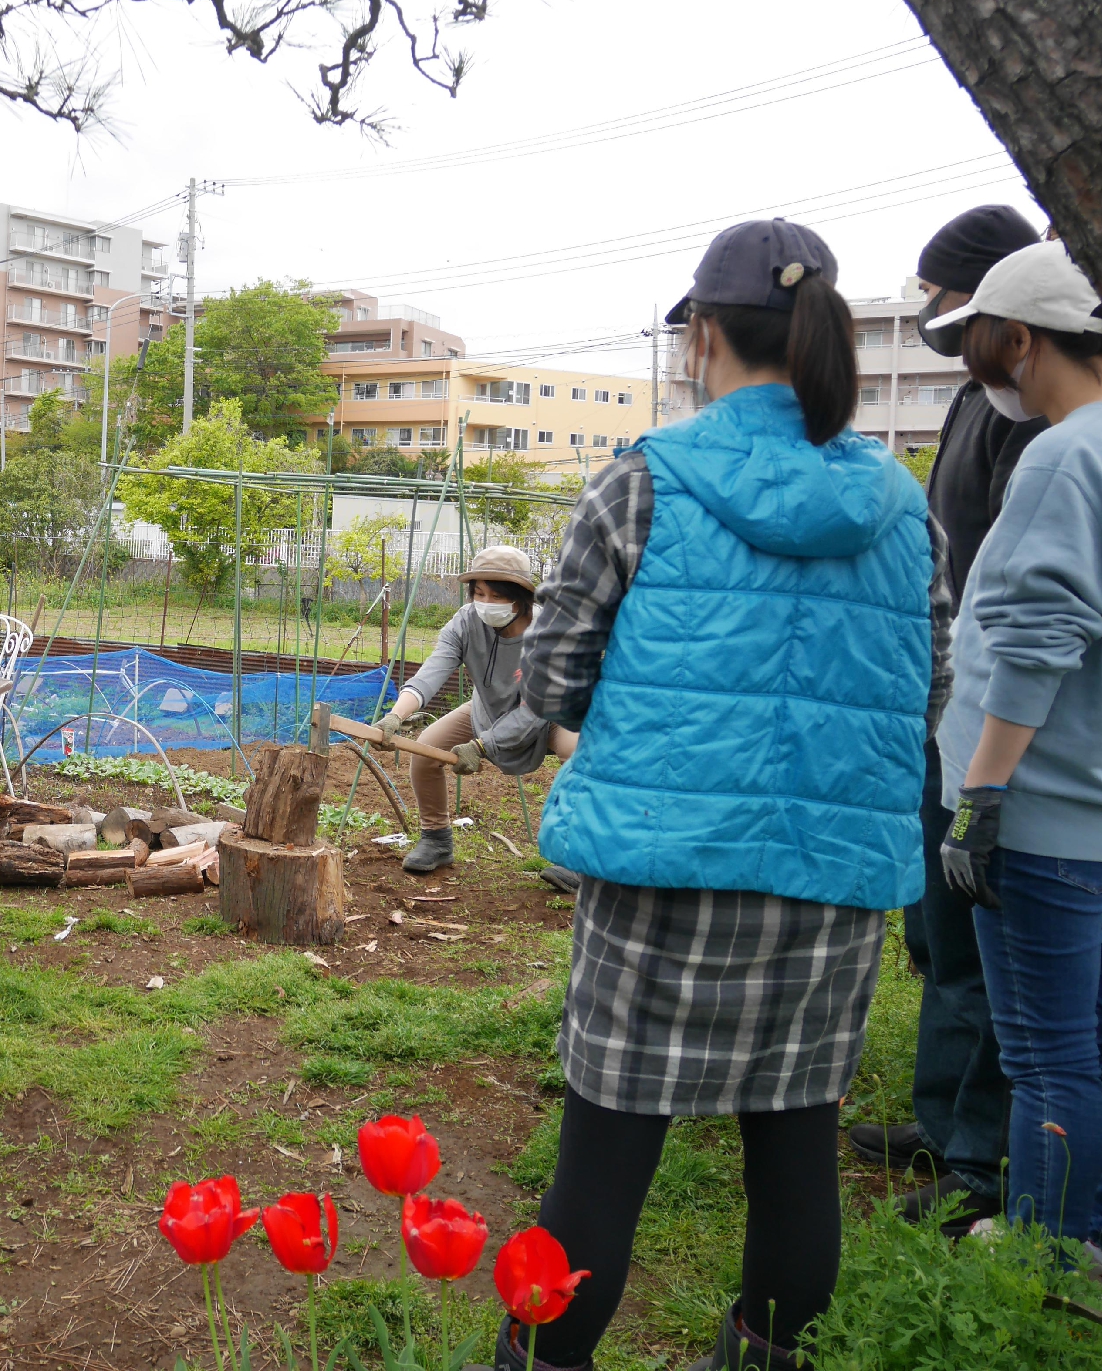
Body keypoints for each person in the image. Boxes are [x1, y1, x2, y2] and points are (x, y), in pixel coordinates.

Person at [499, 220, 954, 1371]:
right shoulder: (901, 509)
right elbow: (931, 684)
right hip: (829, 885)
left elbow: (548, 671)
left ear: (702, 334)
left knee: (602, 1159)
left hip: (661, 875)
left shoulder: (645, 480)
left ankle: (539, 1364)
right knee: (795, 1145)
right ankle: (761, 1355)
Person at [928, 240, 1102, 1328]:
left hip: (1046, 807)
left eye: (985, 347)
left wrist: (980, 798)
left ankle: (1036, 1277)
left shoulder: (1065, 455)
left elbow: (1034, 638)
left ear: (1018, 338)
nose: (988, 373)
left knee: (1044, 1056)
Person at [844, 204, 1041, 1232]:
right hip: (949, 697)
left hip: (990, 713)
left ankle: (978, 1158)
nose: (933, 317)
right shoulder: (972, 397)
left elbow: (1023, 599)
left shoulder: (1028, 413)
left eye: (941, 298)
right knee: (931, 927)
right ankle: (940, 1118)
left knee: (972, 936)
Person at [365, 545, 576, 875]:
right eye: (479, 593)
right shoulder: (466, 621)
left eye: (496, 595)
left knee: (579, 756)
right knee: (426, 751)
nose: (486, 604)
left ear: (520, 596)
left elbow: (535, 707)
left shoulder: (549, 633)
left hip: (550, 713)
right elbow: (434, 669)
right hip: (487, 708)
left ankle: (575, 856)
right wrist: (397, 714)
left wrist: (482, 746)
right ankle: (436, 839)